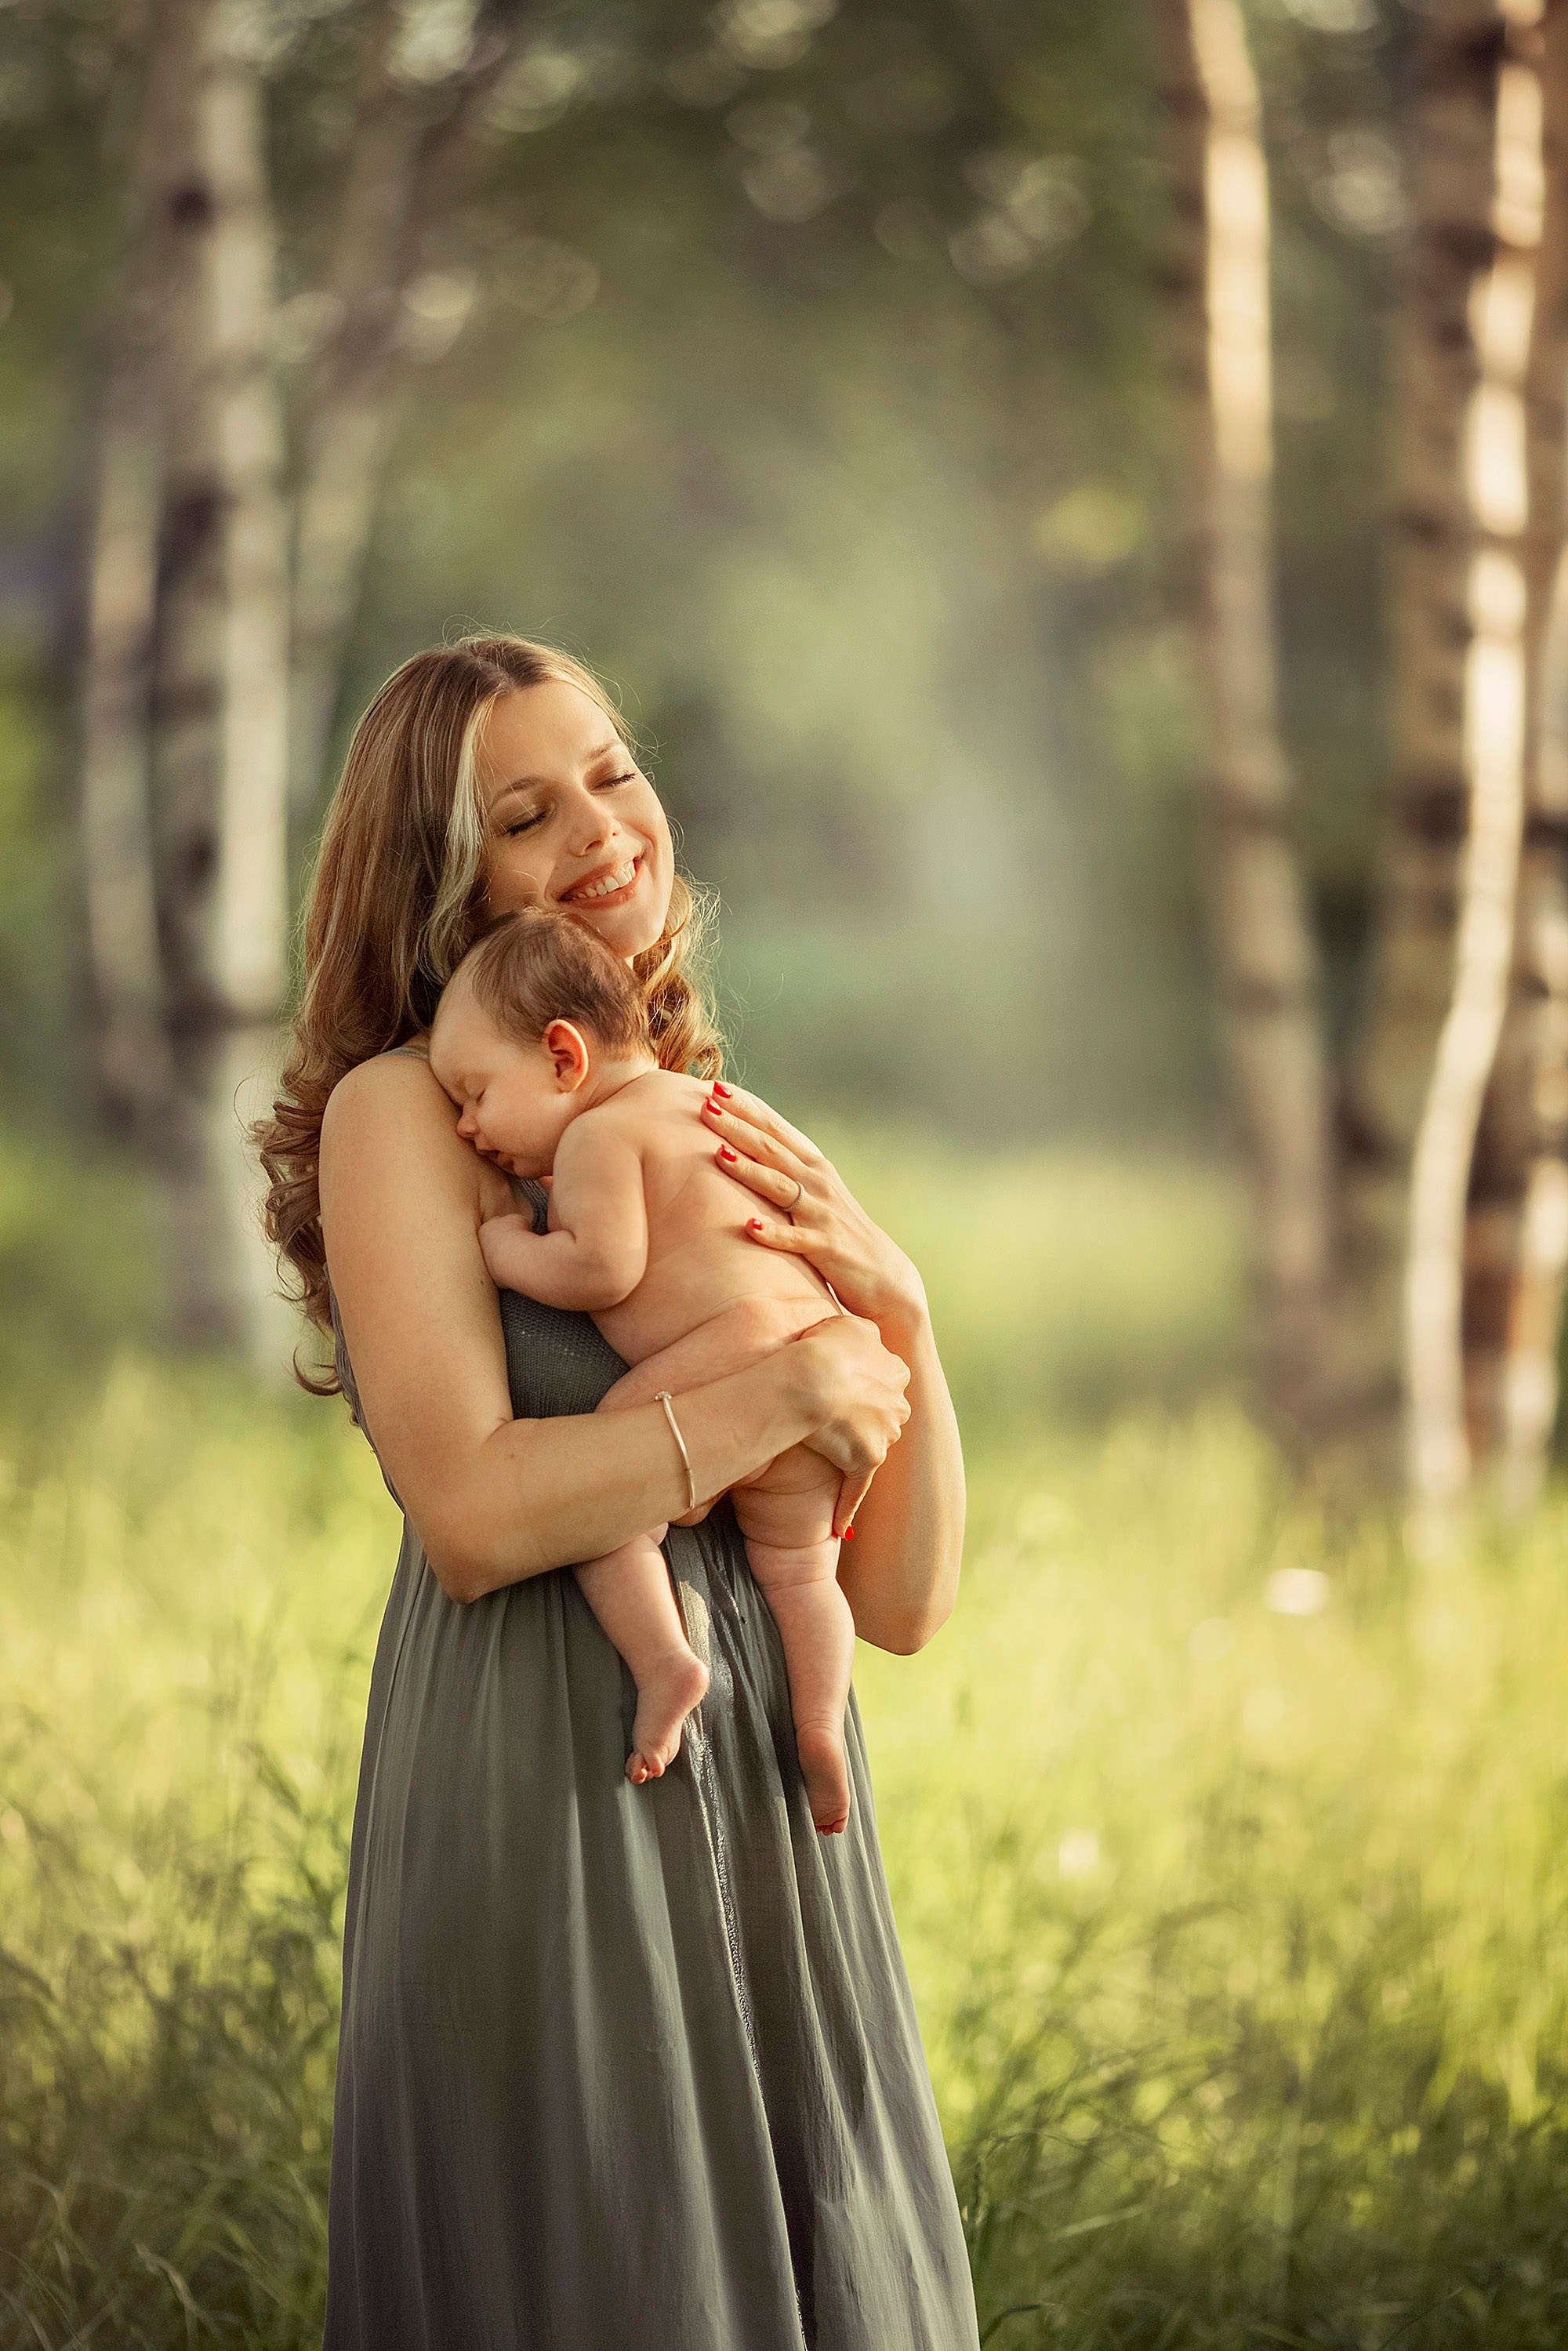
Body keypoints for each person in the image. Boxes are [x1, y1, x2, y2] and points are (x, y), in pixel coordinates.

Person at [257, 633, 980, 2350]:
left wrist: (899, 1310)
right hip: (548, 1760)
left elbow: (900, 1603)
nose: (604, 827)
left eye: (614, 771)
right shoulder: (403, 1117)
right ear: (446, 877)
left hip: (772, 1785)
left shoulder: (723, 1115)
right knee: (605, 2262)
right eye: (527, 810)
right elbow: (477, 1512)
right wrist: (777, 1386)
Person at [428, 904, 867, 1832]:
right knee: (800, 1573)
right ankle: (821, 1723)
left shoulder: (598, 1132)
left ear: (561, 1056)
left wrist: (504, 1247)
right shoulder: (697, 1103)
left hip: (737, 1355)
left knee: (608, 1481)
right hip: (814, 1365)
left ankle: (664, 1661)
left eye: (473, 1092)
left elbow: (601, 1267)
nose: (466, 1125)